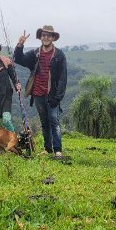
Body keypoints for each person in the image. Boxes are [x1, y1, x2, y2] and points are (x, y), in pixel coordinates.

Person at [14, 25, 67, 157]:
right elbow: (19, 59)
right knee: (44, 122)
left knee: (54, 121)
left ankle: (58, 149)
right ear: (40, 37)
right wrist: (20, 45)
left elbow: (62, 77)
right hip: (38, 93)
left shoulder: (59, 55)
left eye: (49, 35)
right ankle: (48, 149)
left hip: (52, 95)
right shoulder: (35, 54)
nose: (46, 38)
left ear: (53, 38)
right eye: (43, 35)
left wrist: (58, 97)